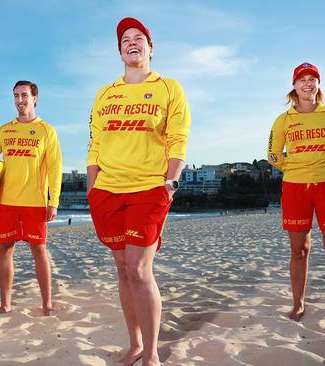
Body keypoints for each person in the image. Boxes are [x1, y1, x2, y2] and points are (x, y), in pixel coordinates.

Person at [86, 17, 191, 366]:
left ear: (150, 47)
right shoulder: (105, 94)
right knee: (122, 268)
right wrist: (91, 188)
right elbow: (95, 144)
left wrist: (171, 182)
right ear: (119, 51)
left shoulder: (169, 88)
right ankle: (134, 344)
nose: (132, 43)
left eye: (139, 38)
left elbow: (178, 138)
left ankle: (152, 354)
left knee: (140, 268)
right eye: (126, 40)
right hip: (108, 192)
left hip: (149, 188)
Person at [268, 62, 325, 323]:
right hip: (295, 187)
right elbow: (273, 154)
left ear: (318, 84)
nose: (308, 83)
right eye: (302, 79)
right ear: (294, 86)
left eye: (312, 79)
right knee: (299, 250)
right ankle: (298, 305)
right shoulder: (283, 120)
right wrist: (294, 168)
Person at [0, 80, 62, 316]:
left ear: (35, 98)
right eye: (16, 96)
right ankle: (5, 304)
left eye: (24, 95)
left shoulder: (47, 130)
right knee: (5, 250)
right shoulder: (4, 130)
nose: (20, 100)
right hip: (5, 201)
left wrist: (53, 201)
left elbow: (56, 168)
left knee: (39, 250)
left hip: (35, 201)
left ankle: (47, 304)